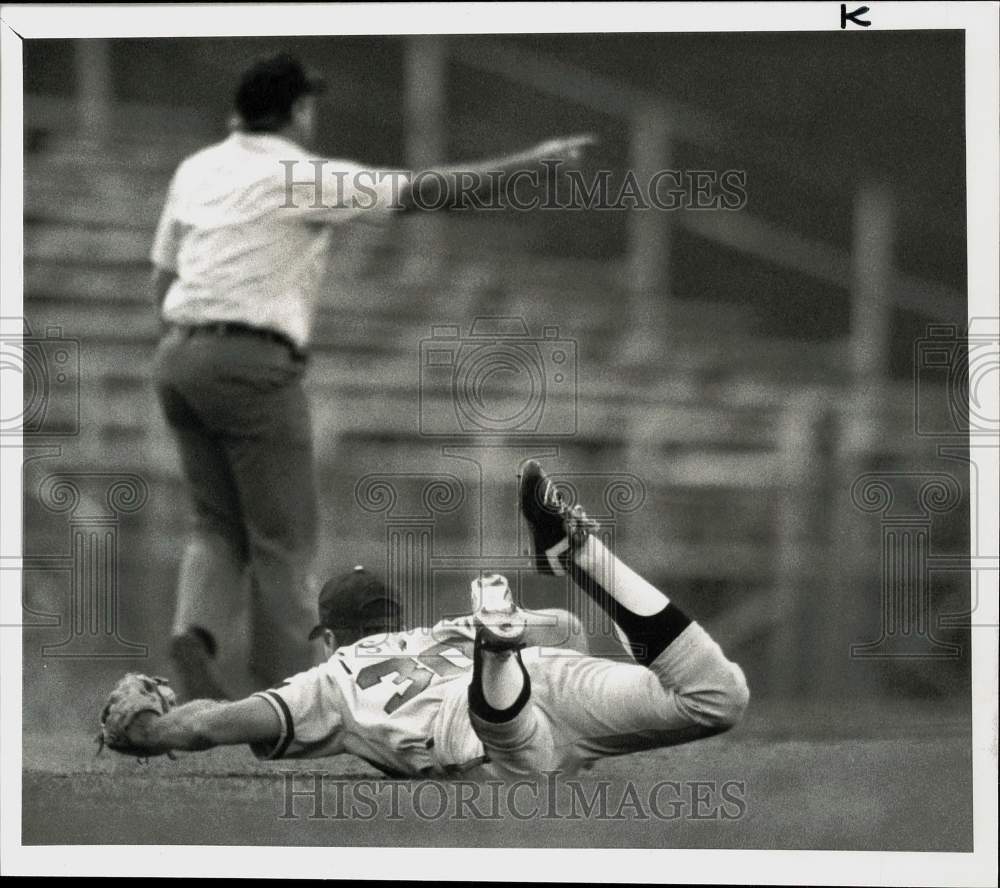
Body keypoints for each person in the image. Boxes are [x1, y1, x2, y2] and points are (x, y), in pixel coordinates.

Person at [149, 51, 595, 697]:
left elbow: (162, 276)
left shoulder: (196, 168)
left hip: (178, 358)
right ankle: (290, 699)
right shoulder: (301, 175)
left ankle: (196, 637)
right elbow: (424, 192)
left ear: (237, 113)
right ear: (299, 110)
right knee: (282, 544)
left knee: (215, 526)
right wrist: (528, 168)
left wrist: (187, 348)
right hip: (250, 362)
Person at [100, 461, 749, 779]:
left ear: (328, 638)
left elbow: (221, 722)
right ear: (394, 618)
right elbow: (567, 631)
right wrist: (509, 631)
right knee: (716, 698)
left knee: (521, 765)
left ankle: (497, 666)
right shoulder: (441, 631)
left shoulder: (328, 681)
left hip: (484, 731)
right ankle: (580, 556)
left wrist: (151, 731)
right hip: (549, 672)